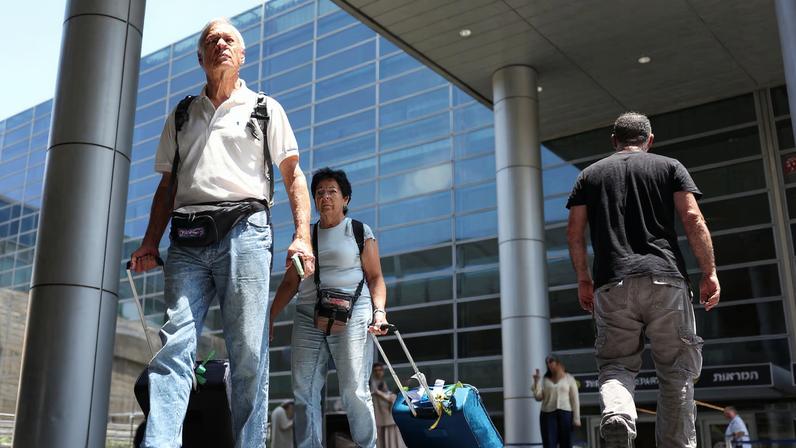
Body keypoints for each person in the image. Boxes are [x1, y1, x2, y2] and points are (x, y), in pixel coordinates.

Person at [129, 17, 314, 448]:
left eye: (229, 38)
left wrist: (301, 234)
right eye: (211, 40)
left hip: (245, 231)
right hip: (187, 240)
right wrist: (150, 241)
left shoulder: (265, 108)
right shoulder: (182, 114)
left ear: (242, 54)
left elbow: (293, 176)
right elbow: (167, 186)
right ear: (200, 57)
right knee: (173, 346)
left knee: (248, 354)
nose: (220, 44)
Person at [566, 112, 720, 448]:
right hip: (665, 280)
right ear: (649, 140)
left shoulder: (589, 176)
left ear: (614, 142)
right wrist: (708, 272)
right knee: (677, 371)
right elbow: (692, 217)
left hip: (612, 282)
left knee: (616, 365)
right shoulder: (669, 166)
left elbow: (574, 233)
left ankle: (618, 414)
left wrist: (583, 280)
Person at [270, 167, 389, 448]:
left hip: (353, 314)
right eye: (319, 192)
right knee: (304, 391)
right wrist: (270, 316)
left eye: (332, 191)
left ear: (345, 198)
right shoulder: (306, 236)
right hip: (308, 316)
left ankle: (366, 445)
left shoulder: (359, 231)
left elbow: (376, 278)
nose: (325, 197)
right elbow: (289, 284)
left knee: (354, 390)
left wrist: (379, 312)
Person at [532, 355, 580, 448]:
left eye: (551, 361)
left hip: (566, 414)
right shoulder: (545, 379)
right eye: (547, 362)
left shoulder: (569, 379)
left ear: (558, 363)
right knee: (549, 443)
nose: (549, 364)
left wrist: (576, 419)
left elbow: (575, 399)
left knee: (566, 443)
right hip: (547, 415)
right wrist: (536, 382)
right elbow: (538, 397)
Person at [370, 362, 407, 448]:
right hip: (379, 417)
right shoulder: (372, 383)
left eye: (380, 370)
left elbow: (393, 397)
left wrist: (378, 392)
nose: (378, 372)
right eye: (376, 370)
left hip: (389, 416)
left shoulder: (386, 382)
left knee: (392, 439)